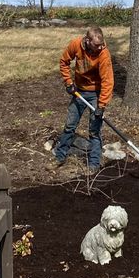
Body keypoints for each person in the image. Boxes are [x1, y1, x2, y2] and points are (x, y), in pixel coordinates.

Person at [53, 26, 114, 175]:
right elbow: (64, 61)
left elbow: (108, 81)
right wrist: (68, 83)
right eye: (96, 45)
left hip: (96, 93)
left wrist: (101, 105)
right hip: (79, 92)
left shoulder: (104, 54)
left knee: (94, 130)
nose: (99, 48)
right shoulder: (76, 44)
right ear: (87, 40)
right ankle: (60, 157)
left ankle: (94, 163)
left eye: (101, 45)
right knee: (70, 125)